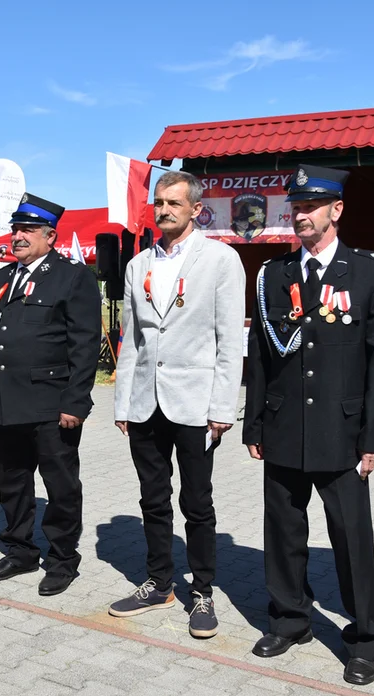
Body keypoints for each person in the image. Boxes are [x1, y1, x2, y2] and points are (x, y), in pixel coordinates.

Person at [241, 165, 374, 685]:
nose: (301, 215)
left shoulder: (370, 271)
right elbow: (260, 357)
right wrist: (254, 423)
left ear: (337, 210)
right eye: (296, 207)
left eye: (312, 206)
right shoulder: (273, 275)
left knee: (352, 539)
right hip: (283, 425)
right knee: (282, 532)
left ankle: (366, 638)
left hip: (343, 432)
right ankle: (289, 619)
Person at [111, 170, 246, 639]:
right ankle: (159, 581)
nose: (164, 210)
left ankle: (203, 591)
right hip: (146, 401)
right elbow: (133, 340)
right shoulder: (137, 265)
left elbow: (230, 341)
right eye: (159, 203)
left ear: (195, 209)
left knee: (197, 503)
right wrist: (122, 401)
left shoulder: (221, 260)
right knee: (153, 498)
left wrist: (223, 407)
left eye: (174, 202)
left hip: (195, 403)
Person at [0, 193, 101, 596]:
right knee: (11, 481)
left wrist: (76, 401)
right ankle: (20, 550)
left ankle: (62, 559)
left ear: (50, 236)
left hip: (50, 402)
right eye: (16, 229)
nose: (19, 236)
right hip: (4, 400)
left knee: (60, 485)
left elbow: (84, 344)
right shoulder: (1, 278)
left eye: (28, 230)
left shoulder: (73, 277)